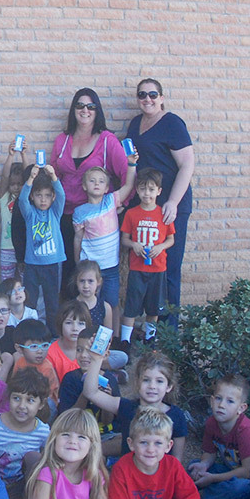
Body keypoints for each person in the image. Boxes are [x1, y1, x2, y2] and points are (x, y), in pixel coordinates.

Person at [124, 79, 196, 327]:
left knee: (168, 269)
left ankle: (169, 331)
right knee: (145, 268)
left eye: (153, 94)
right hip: (144, 207)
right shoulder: (135, 124)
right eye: (142, 94)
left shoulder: (172, 123)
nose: (148, 99)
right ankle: (149, 329)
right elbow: (133, 163)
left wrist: (173, 202)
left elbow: (187, 164)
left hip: (169, 207)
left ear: (162, 97)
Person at [50, 88, 129, 294]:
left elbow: (126, 175)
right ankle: (72, 320)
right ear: (73, 109)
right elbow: (54, 176)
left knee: (96, 277)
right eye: (80, 105)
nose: (85, 110)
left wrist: (121, 204)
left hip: (96, 219)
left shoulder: (107, 140)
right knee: (70, 272)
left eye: (91, 106)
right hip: (66, 216)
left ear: (97, 110)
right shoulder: (62, 140)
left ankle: (100, 320)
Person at [80, 348, 187, 461]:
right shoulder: (127, 407)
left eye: (159, 381)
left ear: (169, 386)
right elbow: (90, 392)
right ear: (137, 382)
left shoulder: (177, 416)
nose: (152, 386)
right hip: (128, 473)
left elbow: (177, 459)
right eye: (146, 380)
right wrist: (96, 359)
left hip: (160, 475)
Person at [187, 373, 250, 499]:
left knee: (240, 488)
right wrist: (203, 465)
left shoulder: (245, 431)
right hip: (229, 471)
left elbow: (248, 471)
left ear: (241, 408)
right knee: (192, 466)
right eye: (218, 398)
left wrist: (213, 479)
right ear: (212, 401)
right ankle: (214, 496)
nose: (221, 405)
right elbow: (209, 454)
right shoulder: (212, 423)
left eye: (230, 401)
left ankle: (213, 497)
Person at [71, 161, 138, 318]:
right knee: (88, 304)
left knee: (112, 304)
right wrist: (78, 264)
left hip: (110, 267)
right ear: (84, 186)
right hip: (90, 267)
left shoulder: (110, 201)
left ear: (107, 188)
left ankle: (113, 338)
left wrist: (131, 164)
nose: (97, 184)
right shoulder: (80, 212)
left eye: (101, 181)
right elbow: (77, 239)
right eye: (92, 180)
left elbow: (128, 185)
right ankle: (89, 336)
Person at [119, 168, 174, 348]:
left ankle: (150, 338)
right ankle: (125, 340)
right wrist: (134, 244)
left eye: (151, 189)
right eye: (143, 189)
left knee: (154, 306)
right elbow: (124, 239)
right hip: (137, 268)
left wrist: (160, 247)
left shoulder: (163, 213)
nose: (147, 193)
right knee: (132, 305)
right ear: (137, 190)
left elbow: (171, 239)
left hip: (157, 268)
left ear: (159, 191)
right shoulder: (132, 213)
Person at [0, 368, 51, 493]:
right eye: (16, 398)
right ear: (9, 398)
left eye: (30, 400)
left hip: (23, 489)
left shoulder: (42, 432)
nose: (21, 406)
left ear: (41, 404)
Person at [18, 164, 67, 326]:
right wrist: (31, 179)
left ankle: (53, 332)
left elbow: (61, 195)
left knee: (52, 301)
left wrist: (53, 176)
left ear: (52, 197)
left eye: (47, 195)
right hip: (32, 265)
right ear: (32, 197)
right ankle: (31, 331)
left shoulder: (55, 212)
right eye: (39, 195)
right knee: (30, 301)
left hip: (52, 264)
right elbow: (22, 199)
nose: (43, 199)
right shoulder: (30, 213)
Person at [0, 140, 27, 283]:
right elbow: (4, 177)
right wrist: (10, 156)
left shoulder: (28, 199)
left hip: (24, 247)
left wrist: (24, 155)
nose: (16, 187)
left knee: (25, 281)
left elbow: (29, 177)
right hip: (7, 247)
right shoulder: (5, 198)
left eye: (20, 184)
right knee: (6, 282)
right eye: (13, 184)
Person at [12, 318, 60, 406]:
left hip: (44, 402)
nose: (40, 351)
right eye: (34, 346)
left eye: (45, 345)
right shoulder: (20, 362)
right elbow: (14, 386)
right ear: (19, 348)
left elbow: (47, 394)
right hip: (24, 399)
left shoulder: (46, 367)